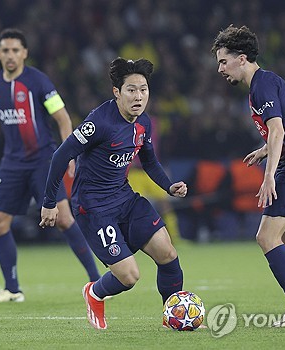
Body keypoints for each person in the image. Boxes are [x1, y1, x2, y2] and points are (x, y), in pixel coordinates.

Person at [0, 28, 100, 303]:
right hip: (12, 164)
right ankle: (12, 290)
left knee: (63, 218)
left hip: (43, 160)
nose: (10, 55)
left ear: (24, 53)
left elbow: (62, 118)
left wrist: (70, 153)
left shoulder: (39, 81)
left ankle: (97, 283)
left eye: (16, 50)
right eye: (5, 50)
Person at [40, 57, 187, 330]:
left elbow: (150, 161)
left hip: (125, 199)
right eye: (131, 89)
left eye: (143, 89)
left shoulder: (143, 122)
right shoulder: (99, 122)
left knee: (167, 253)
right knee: (129, 276)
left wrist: (169, 186)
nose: (139, 96)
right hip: (93, 208)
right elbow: (61, 156)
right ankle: (94, 293)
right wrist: (50, 203)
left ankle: (173, 318)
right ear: (116, 92)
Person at [211, 25, 285, 327]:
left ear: (242, 58)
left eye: (224, 61)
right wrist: (264, 150)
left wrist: (269, 176)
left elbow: (278, 130)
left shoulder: (261, 86)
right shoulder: (266, 82)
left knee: (266, 236)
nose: (219, 68)